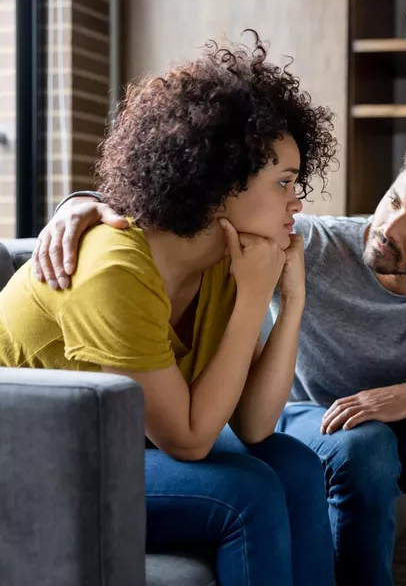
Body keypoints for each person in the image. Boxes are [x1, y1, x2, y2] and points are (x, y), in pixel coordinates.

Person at [33, 131, 406, 586]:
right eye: (393, 202)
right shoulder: (312, 244)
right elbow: (177, 205)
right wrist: (79, 203)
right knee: (364, 445)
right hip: (312, 420)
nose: (390, 227)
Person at [0, 31, 338, 586]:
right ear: (217, 183)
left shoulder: (227, 261)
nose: (297, 202)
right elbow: (188, 438)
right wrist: (254, 295)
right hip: (34, 459)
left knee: (297, 466)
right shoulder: (112, 265)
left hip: (119, 444)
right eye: (283, 183)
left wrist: (291, 301)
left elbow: (254, 424)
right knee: (245, 494)